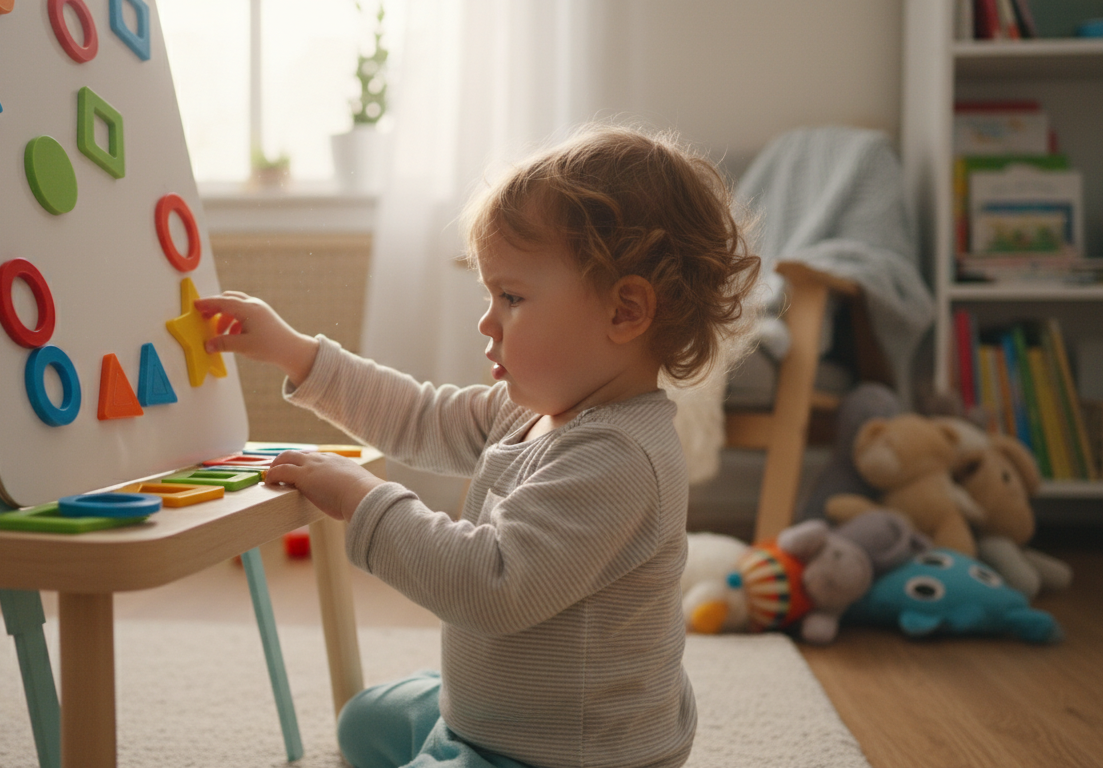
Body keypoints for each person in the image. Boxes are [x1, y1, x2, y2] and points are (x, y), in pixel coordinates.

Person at [195, 124, 759, 768]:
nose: (487, 322)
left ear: (625, 311)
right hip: (509, 714)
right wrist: (293, 351)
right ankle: (465, 724)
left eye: (512, 297)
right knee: (365, 723)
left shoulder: (620, 458)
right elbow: (418, 415)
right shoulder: (530, 410)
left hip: (577, 752)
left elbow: (489, 583)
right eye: (490, 294)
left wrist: (363, 499)